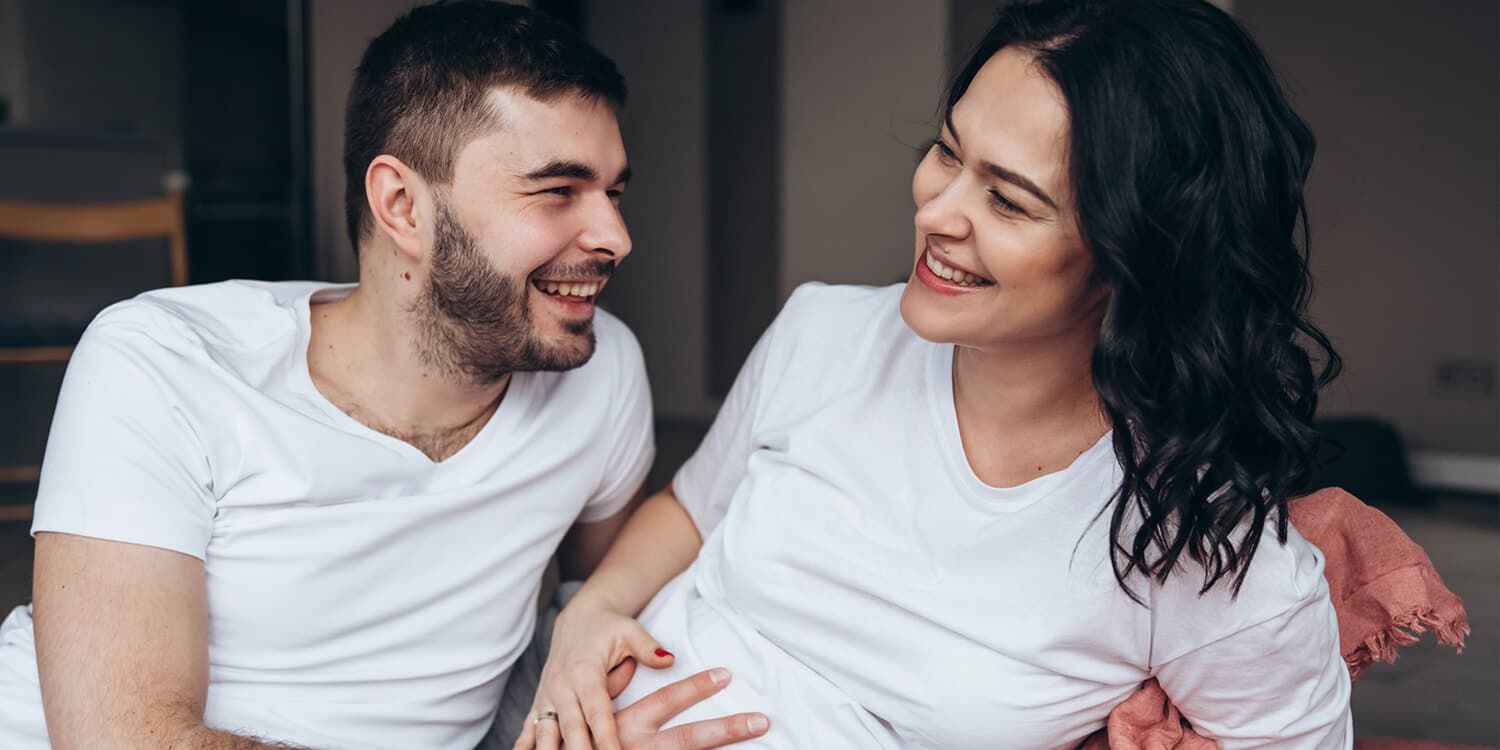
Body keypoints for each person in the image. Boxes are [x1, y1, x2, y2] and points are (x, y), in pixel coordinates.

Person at [517, 0, 1353, 748]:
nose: (936, 211)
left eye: (1009, 200)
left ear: (1135, 259)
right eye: (947, 153)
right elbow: (691, 512)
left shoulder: (1195, 537)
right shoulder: (824, 331)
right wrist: (591, 612)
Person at [0, 2, 765, 748]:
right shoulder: (164, 364)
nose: (616, 237)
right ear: (402, 204)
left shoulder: (603, 374)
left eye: (613, 192)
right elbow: (121, 738)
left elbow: (611, 593)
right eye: (558, 190)